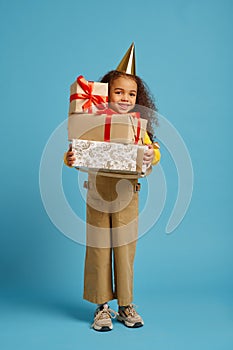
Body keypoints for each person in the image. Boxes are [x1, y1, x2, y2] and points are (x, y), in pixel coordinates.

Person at [64, 43, 161, 332]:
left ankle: (126, 305)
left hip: (127, 195)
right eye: (118, 91)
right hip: (97, 193)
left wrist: (150, 155)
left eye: (131, 94)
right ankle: (101, 306)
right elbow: (77, 150)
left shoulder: (137, 126)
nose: (125, 98)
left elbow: (153, 153)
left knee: (125, 249)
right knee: (98, 248)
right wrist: (68, 158)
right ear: (107, 92)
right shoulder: (94, 120)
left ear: (138, 98)